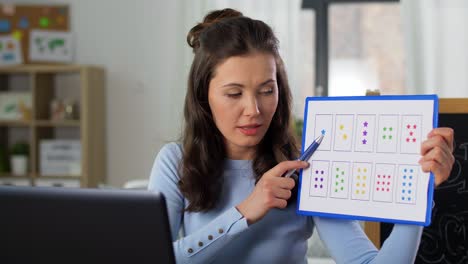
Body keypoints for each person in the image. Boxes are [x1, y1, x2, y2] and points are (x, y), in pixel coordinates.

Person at [149, 8, 454, 264]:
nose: (253, 109)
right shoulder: (175, 162)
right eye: (234, 93)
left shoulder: (306, 166)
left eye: (267, 91)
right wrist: (244, 212)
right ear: (204, 96)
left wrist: (417, 190)